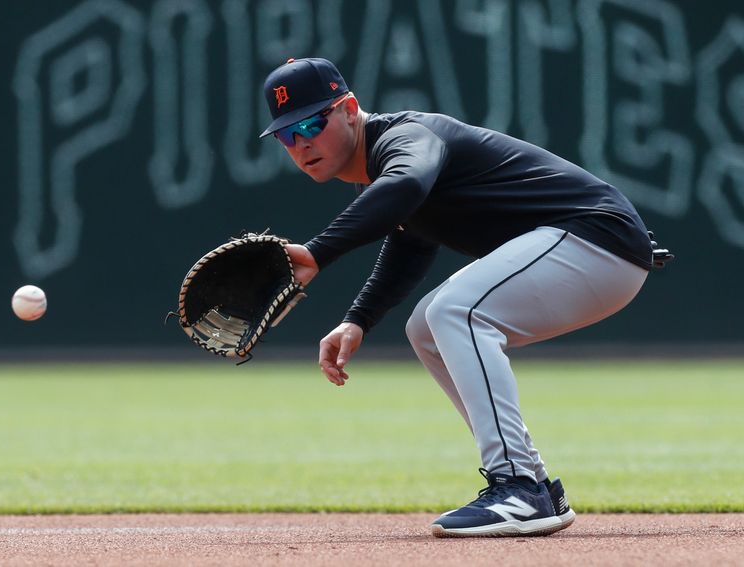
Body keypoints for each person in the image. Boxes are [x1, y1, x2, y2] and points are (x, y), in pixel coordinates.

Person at [259, 57, 670, 538]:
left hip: (595, 239)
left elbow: (406, 186)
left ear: (349, 109)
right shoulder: (381, 169)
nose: (302, 141)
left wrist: (316, 253)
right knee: (427, 327)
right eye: (288, 135)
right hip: (587, 247)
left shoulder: (408, 137)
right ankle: (534, 481)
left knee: (457, 311)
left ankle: (517, 486)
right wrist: (359, 319)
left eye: (313, 122)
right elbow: (411, 237)